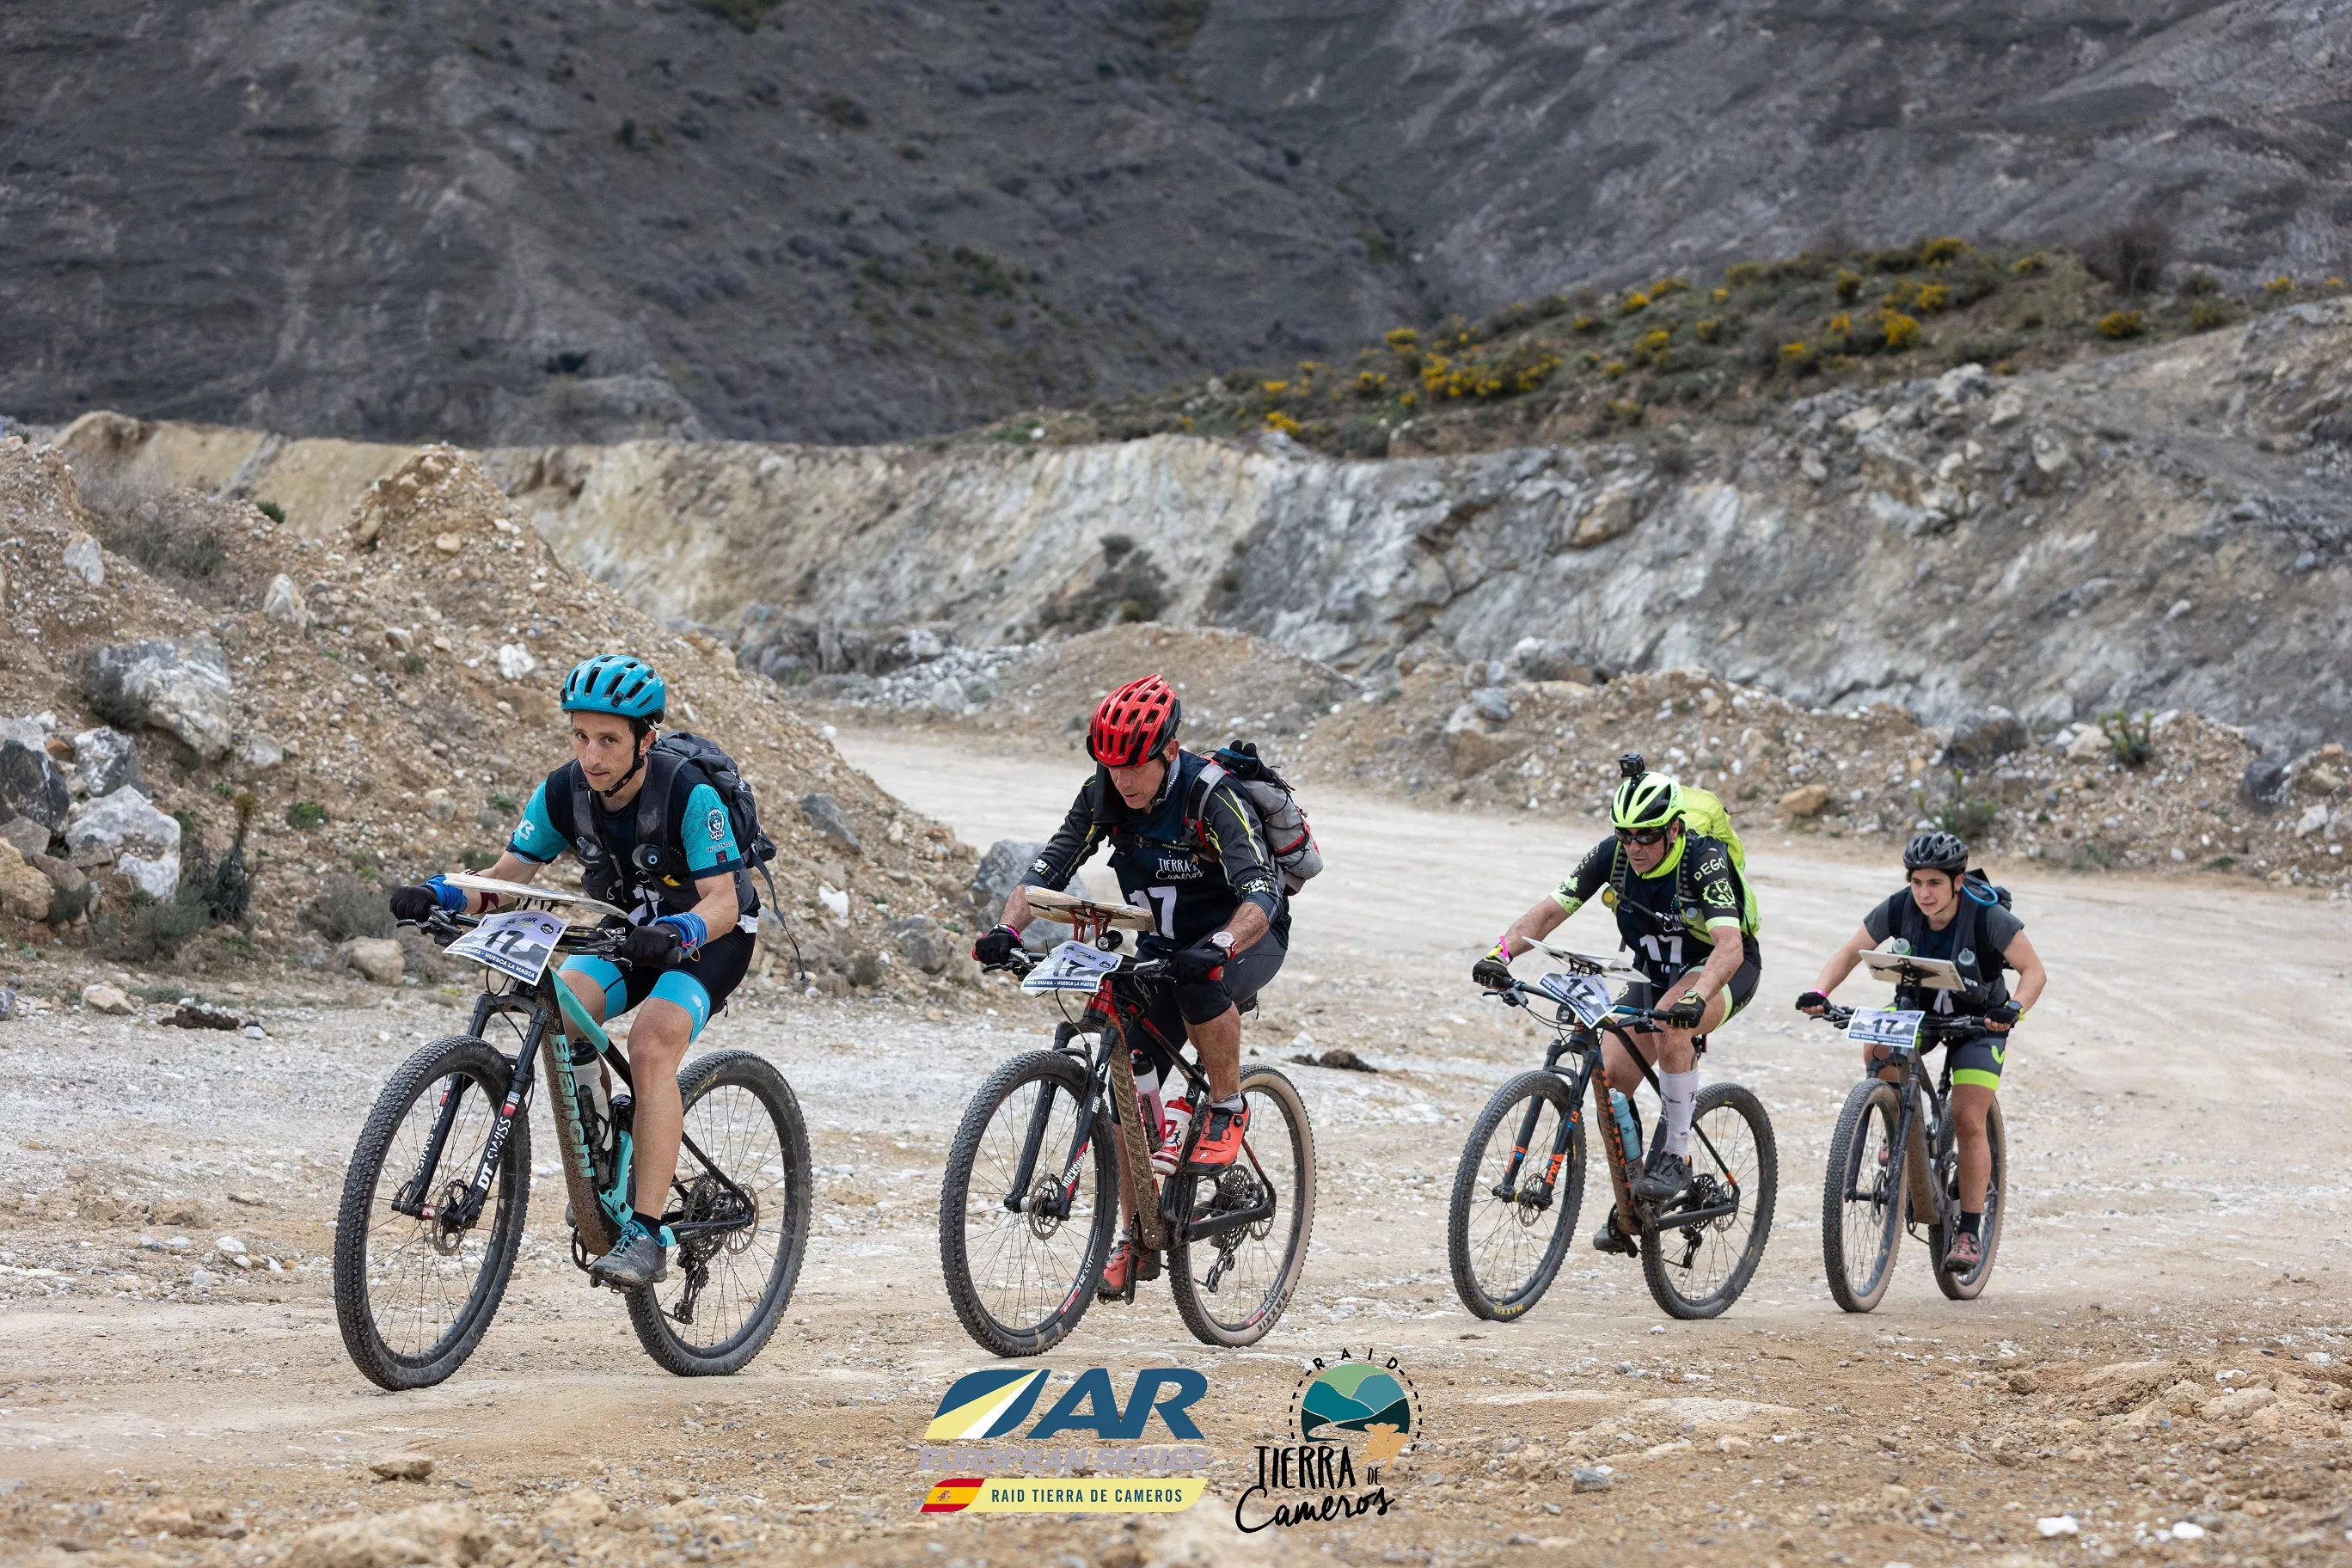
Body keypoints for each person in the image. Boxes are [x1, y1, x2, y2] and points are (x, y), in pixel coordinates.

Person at [386, 654, 762, 1290]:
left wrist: (681, 931)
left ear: (645, 738)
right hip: (624, 930)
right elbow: (505, 879)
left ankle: (647, 1234)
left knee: (651, 1045)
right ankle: (604, 1156)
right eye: (580, 736)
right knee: (564, 1010)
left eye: (609, 740)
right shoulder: (563, 791)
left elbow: (723, 902)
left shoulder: (688, 793)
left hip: (707, 937)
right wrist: (440, 892)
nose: (591, 755)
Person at [971, 674, 1288, 1299]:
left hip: (1246, 937)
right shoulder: (1103, 795)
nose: (1123, 780)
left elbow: (1261, 892)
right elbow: (1046, 871)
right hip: (1163, 945)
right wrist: (1006, 929)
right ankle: (1134, 1236)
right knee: (1125, 1081)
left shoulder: (1211, 796)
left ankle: (1227, 1106)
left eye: (1135, 766)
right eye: (1111, 766)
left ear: (1169, 750)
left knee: (1201, 986)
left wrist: (1222, 945)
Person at [1473, 767, 1761, 1254]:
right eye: (1625, 834)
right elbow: (1550, 910)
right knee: (1610, 1076)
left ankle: (1676, 1156)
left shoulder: (1704, 860)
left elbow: (1730, 945)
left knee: (1671, 1025)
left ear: (1674, 829)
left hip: (1721, 967)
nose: (1634, 846)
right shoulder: (1615, 856)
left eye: (1646, 835)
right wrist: (1500, 954)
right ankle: (1634, 1200)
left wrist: (1697, 996)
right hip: (1652, 974)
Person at [1797, 830, 2046, 1272]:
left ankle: (1969, 1231)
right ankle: (1903, 1129)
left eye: (1934, 883)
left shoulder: (1987, 915)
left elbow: (2034, 972)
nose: (1924, 893)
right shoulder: (1900, 907)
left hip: (1980, 1021)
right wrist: (1820, 991)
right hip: (1918, 1011)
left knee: (1968, 1117)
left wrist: (2013, 1010)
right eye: (1916, 882)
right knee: (1877, 1049)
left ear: (1957, 882)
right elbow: (1851, 951)